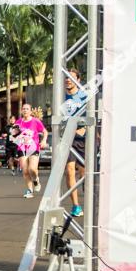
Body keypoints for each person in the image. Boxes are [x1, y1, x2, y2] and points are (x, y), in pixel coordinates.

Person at [63, 69, 88, 217]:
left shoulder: (85, 95)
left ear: (78, 79)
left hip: (84, 137)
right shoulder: (61, 96)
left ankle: (89, 202)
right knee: (70, 171)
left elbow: (93, 113)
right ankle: (76, 206)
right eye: (66, 77)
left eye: (71, 78)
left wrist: (84, 128)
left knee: (84, 173)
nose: (68, 80)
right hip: (69, 137)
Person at [15, 103, 48, 199]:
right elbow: (14, 135)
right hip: (22, 148)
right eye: (23, 109)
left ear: (30, 111)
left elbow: (44, 131)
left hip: (33, 148)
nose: (25, 110)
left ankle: (36, 180)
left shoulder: (35, 121)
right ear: (21, 111)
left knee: (32, 169)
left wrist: (44, 140)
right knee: (25, 171)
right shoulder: (18, 122)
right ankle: (29, 190)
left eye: (27, 109)